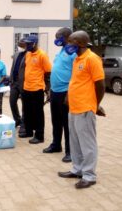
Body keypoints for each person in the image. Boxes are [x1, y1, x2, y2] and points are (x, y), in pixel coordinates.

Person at [58, 31, 105, 189]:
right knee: (75, 141)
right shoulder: (77, 59)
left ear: (80, 43)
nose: (68, 44)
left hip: (85, 107)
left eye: (70, 41)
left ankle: (89, 175)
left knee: (87, 143)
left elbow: (100, 85)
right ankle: (77, 169)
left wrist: (95, 105)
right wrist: (68, 97)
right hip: (73, 107)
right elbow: (76, 81)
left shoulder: (92, 59)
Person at [43, 28, 75, 163]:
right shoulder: (62, 51)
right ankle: (56, 145)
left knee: (67, 123)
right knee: (56, 121)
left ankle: (70, 151)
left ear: (68, 37)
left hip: (65, 93)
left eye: (59, 37)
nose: (57, 39)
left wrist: (69, 92)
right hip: (55, 92)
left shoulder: (73, 53)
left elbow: (75, 75)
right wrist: (50, 90)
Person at [20, 35, 52, 144]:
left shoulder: (42, 55)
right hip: (26, 88)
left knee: (38, 113)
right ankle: (29, 131)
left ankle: (39, 135)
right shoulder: (28, 54)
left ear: (35, 43)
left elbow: (48, 72)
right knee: (27, 112)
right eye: (26, 43)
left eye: (29, 44)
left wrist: (48, 89)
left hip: (37, 89)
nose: (27, 45)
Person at [9, 38, 27, 136]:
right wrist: (11, 80)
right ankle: (17, 120)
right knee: (12, 102)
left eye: (21, 44)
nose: (19, 45)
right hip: (14, 83)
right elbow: (13, 67)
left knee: (24, 105)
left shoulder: (29, 54)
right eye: (19, 44)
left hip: (24, 83)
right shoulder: (16, 54)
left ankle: (24, 124)